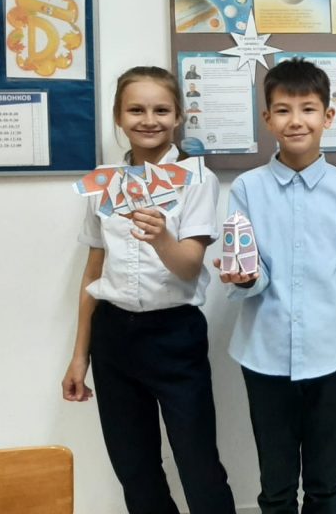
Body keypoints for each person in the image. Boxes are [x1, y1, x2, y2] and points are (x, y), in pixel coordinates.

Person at [61, 66, 235, 514]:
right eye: (136, 110)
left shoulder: (197, 178)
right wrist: (80, 355)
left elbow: (189, 266)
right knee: (135, 469)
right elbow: (93, 271)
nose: (149, 120)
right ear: (119, 117)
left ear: (178, 116)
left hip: (174, 334)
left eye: (161, 110)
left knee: (199, 465)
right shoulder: (103, 183)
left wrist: (161, 237)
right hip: (113, 337)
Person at [219, 58, 336, 514]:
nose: (296, 120)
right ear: (267, 118)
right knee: (276, 483)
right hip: (263, 355)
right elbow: (246, 272)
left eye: (308, 109)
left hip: (331, 357)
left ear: (328, 116)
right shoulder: (247, 188)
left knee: (326, 481)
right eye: (283, 110)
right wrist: (246, 277)